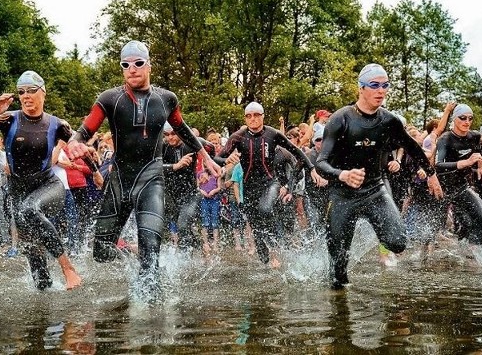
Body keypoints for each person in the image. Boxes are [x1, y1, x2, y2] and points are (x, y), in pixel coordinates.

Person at [66, 41, 220, 297]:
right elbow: (84, 131)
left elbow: (183, 129)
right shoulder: (109, 99)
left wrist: (207, 157)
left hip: (151, 180)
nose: (132, 69)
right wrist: (73, 144)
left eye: (138, 63)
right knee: (102, 252)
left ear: (148, 65)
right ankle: (134, 254)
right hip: (120, 181)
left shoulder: (166, 99)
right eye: (125, 65)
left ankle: (150, 303)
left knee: (151, 247)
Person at [315, 63, 442, 290]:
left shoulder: (389, 121)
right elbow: (320, 163)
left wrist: (432, 175)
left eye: (385, 85)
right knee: (338, 275)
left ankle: (369, 230)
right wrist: (342, 174)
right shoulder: (341, 119)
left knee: (398, 243)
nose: (380, 90)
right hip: (343, 195)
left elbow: (413, 148)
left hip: (375, 191)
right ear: (361, 88)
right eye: (374, 85)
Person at [0, 70, 81, 290]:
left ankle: (68, 268)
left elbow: (81, 145)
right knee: (32, 253)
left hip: (49, 186)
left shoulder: (57, 124)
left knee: (30, 209)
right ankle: (46, 294)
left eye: (31, 90)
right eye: (21, 92)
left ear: (43, 92)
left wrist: (95, 172)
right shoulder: (10, 118)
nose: (26, 96)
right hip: (18, 190)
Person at [218, 102, 325, 268]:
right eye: (249, 116)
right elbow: (218, 158)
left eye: (256, 115)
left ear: (262, 116)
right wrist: (226, 160)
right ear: (245, 118)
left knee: (265, 209)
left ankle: (275, 250)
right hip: (249, 186)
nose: (252, 119)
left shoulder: (272, 134)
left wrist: (311, 168)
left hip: (270, 183)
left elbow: (296, 151)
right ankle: (265, 257)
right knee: (255, 225)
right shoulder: (238, 136)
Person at [434, 104, 482, 248]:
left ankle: (473, 251)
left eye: (470, 118)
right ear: (454, 119)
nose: (467, 121)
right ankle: (423, 257)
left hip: (460, 187)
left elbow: (479, 154)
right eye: (462, 118)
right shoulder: (445, 139)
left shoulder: (475, 136)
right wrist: (463, 163)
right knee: (433, 230)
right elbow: (438, 165)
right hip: (442, 189)